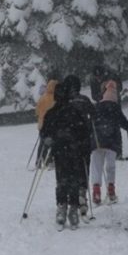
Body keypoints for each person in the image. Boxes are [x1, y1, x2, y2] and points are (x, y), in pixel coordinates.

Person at [40, 80, 92, 229]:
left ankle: (69, 208)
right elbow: (45, 131)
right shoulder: (55, 113)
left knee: (65, 179)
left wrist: (82, 145)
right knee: (68, 180)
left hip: (70, 151)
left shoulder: (72, 112)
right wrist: (48, 139)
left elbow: (84, 132)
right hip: (63, 151)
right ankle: (66, 208)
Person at [90, 80, 128, 204]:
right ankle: (111, 191)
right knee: (110, 167)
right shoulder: (115, 107)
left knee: (96, 167)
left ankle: (96, 191)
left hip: (97, 141)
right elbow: (124, 123)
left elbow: (91, 122)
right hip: (112, 142)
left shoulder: (97, 106)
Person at [60, 74, 97, 219]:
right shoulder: (85, 99)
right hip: (83, 140)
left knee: (68, 171)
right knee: (83, 167)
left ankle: (70, 199)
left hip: (67, 143)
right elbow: (94, 115)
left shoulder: (64, 101)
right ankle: (82, 193)